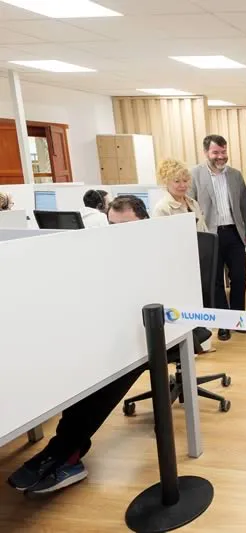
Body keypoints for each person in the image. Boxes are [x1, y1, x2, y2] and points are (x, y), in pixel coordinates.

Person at [7, 196, 151, 494]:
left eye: (126, 227)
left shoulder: (161, 251)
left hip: (155, 335)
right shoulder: (107, 255)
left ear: (146, 224)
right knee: (83, 364)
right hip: (115, 329)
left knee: (112, 371)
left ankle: (66, 453)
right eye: (112, 226)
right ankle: (62, 449)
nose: (117, 234)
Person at [189, 134, 246, 341]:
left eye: (223, 152)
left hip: (234, 232)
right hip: (210, 235)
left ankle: (238, 319)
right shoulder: (195, 175)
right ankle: (223, 323)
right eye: (216, 152)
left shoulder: (235, 174)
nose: (220, 156)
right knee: (215, 281)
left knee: (240, 276)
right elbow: (191, 206)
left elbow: (244, 205)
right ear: (206, 152)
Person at [153, 158, 208, 232]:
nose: (183, 185)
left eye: (185, 180)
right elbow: (162, 239)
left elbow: (204, 231)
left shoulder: (193, 203)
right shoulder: (162, 209)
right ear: (165, 182)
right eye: (177, 181)